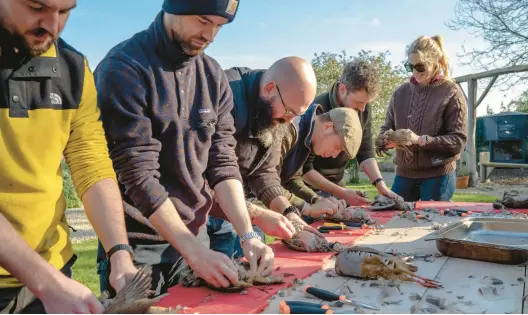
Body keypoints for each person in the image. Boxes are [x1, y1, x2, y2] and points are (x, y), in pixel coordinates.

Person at [94, 0, 274, 297]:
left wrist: (248, 234)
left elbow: (223, 163)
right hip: (136, 249)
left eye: (219, 26)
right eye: (203, 21)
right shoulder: (124, 68)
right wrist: (194, 253)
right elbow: (138, 176)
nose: (211, 35)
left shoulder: (212, 76)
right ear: (174, 7)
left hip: (195, 238)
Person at [0, 0, 138, 313]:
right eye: (37, 7)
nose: (52, 26)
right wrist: (45, 281)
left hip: (50, 272)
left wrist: (119, 252)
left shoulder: (73, 67)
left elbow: (89, 160)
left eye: (65, 11)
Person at [207, 59, 340, 259]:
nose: (288, 121)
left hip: (234, 210)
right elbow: (206, 174)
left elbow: (265, 173)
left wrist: (289, 213)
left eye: (296, 115)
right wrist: (257, 215)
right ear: (270, 88)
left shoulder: (277, 114)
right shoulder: (221, 97)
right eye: (288, 112)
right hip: (193, 212)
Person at [377, 35, 467, 201]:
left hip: (438, 175)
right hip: (404, 175)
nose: (414, 72)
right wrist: (387, 140)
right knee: (394, 220)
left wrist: (420, 140)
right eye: (409, 66)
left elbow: (458, 141)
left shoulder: (451, 92)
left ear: (436, 63)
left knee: (432, 225)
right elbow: (386, 128)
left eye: (420, 67)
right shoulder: (399, 93)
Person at [300, 59, 400, 207]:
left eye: (367, 103)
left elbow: (365, 150)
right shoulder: (316, 110)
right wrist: (341, 192)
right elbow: (305, 168)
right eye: (359, 102)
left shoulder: (363, 108)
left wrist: (380, 185)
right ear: (342, 89)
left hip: (337, 182)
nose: (363, 109)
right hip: (307, 187)